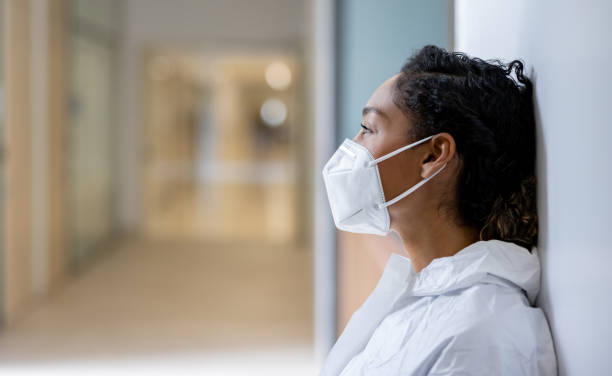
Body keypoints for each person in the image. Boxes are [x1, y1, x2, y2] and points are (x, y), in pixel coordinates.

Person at [320, 45, 558, 375]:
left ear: (433, 156)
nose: (353, 147)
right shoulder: (424, 298)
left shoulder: (484, 336)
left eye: (368, 128)